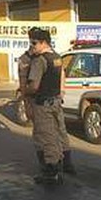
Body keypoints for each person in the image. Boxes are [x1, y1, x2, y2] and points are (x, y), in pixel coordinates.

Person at [25, 28, 75, 184]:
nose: (31, 46)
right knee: (60, 132)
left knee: (47, 135)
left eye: (34, 43)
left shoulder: (40, 60)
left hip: (43, 103)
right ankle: (66, 163)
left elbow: (34, 86)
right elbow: (62, 78)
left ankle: (51, 170)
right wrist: (60, 94)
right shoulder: (57, 58)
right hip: (56, 100)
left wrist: (24, 92)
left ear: (43, 42)